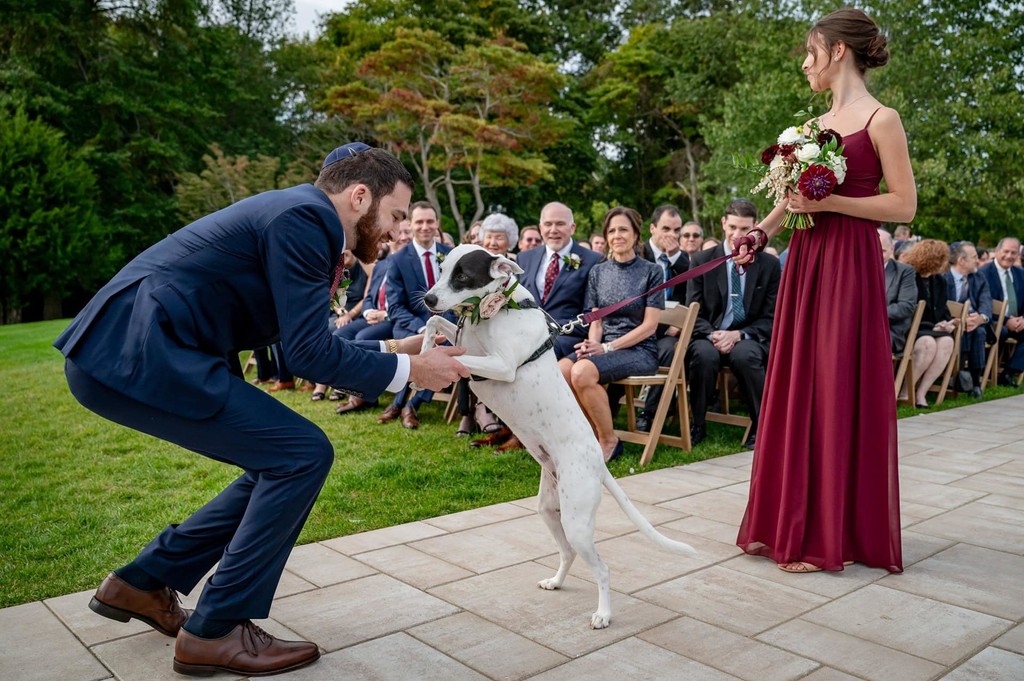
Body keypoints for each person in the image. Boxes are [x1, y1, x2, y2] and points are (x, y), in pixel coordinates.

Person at [53, 144, 469, 676]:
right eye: (392, 215)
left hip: (132, 352)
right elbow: (308, 355)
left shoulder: (300, 215)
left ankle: (143, 583)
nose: (393, 231)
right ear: (359, 196)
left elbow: (310, 343)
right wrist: (414, 376)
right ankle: (218, 628)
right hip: (136, 352)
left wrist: (401, 351)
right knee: (301, 453)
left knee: (281, 458)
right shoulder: (307, 219)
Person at [736, 9, 914, 574]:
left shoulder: (883, 119)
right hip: (806, 264)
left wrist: (833, 203)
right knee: (800, 384)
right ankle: (789, 522)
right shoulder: (811, 127)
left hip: (849, 264)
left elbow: (903, 206)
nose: (806, 64)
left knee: (835, 383)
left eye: (811, 52)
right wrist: (760, 232)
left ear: (838, 51)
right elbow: (792, 200)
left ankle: (829, 534)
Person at [559, 206, 664, 462]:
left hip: (640, 351)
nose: (617, 235)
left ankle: (609, 440)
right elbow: (597, 321)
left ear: (636, 235)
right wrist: (591, 346)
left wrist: (606, 348)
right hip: (605, 347)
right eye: (612, 230)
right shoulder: (598, 272)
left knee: (582, 371)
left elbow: (650, 326)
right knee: (561, 369)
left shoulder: (652, 271)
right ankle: (590, 434)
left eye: (623, 230)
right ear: (606, 236)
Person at [683, 199, 779, 450]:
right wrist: (715, 334)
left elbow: (771, 316)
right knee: (703, 356)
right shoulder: (702, 260)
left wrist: (739, 335)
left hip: (747, 336)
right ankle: (697, 424)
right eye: (733, 227)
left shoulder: (769, 265)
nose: (738, 235)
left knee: (745, 356)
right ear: (723, 223)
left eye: (745, 229)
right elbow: (693, 311)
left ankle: (762, 426)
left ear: (755, 228)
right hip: (709, 334)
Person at [377, 201, 454, 429]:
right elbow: (396, 308)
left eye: (430, 221)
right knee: (426, 345)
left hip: (447, 325)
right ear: (410, 225)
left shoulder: (451, 255)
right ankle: (406, 403)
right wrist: (425, 329)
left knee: (446, 345)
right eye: (419, 221)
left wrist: (444, 326)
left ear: (437, 224)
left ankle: (408, 404)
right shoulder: (397, 260)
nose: (425, 226)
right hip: (411, 325)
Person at [458, 213, 520, 447]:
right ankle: (469, 413)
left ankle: (499, 420)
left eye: (499, 238)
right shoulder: (476, 267)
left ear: (509, 241)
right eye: (490, 237)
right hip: (480, 327)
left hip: (510, 329)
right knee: (465, 349)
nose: (493, 242)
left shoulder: (515, 266)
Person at [634, 204, 694, 433]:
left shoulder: (682, 261)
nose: (672, 235)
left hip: (668, 333)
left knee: (671, 351)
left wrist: (680, 325)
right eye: (666, 229)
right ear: (652, 228)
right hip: (637, 328)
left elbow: (691, 292)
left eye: (676, 230)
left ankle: (648, 414)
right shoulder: (638, 254)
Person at [902, 239, 957, 407]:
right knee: (928, 344)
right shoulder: (909, 276)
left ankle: (921, 393)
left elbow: (942, 309)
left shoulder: (939, 281)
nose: (945, 264)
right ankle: (905, 391)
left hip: (933, 329)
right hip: (913, 329)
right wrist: (933, 327)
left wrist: (948, 323)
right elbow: (909, 312)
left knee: (947, 341)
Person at [944, 241, 992, 397]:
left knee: (978, 332)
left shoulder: (979, 277)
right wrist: (958, 320)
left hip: (974, 323)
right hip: (951, 322)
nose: (977, 260)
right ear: (961, 261)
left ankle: (974, 381)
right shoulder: (943, 277)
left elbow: (986, 302)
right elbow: (941, 305)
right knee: (970, 332)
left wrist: (980, 318)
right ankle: (964, 376)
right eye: (974, 257)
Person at [978, 237, 1024, 386]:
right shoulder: (983, 273)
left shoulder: (1021, 274)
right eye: (1006, 251)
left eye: (1013, 253)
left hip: (1018, 321)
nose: (1009, 256)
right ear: (997, 251)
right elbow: (983, 304)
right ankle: (984, 369)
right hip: (994, 320)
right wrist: (1005, 320)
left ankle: (1009, 372)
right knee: (1000, 332)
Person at [879, 228, 918, 357]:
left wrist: (873, 315)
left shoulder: (904, 272)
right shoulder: (857, 268)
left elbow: (906, 306)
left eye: (883, 251)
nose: (877, 254)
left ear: (892, 248)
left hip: (888, 330)